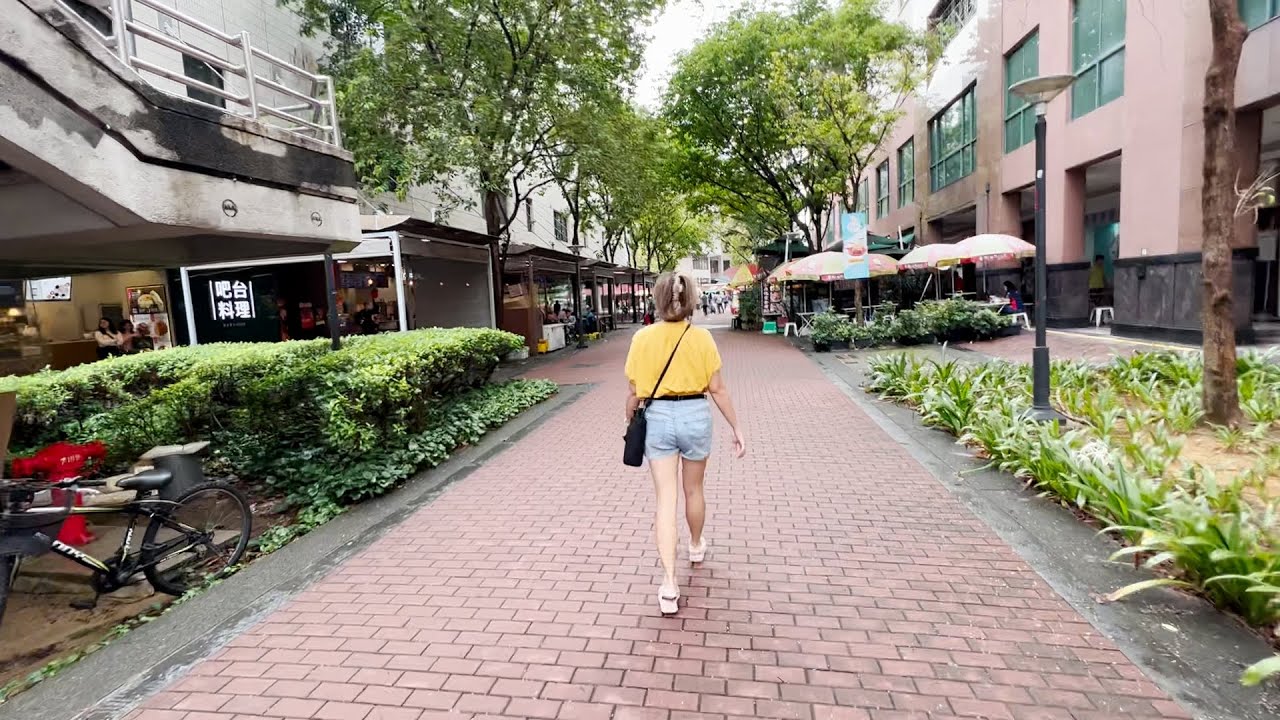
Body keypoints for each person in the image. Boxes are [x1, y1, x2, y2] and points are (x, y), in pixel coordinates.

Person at [624, 271, 746, 615]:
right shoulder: (703, 338)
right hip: (696, 414)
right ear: (691, 299)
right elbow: (718, 389)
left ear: (658, 300)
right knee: (694, 490)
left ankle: (668, 584)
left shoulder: (641, 338)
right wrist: (736, 427)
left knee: (666, 499)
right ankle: (695, 545)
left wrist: (628, 421)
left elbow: (633, 393)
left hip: (658, 417)